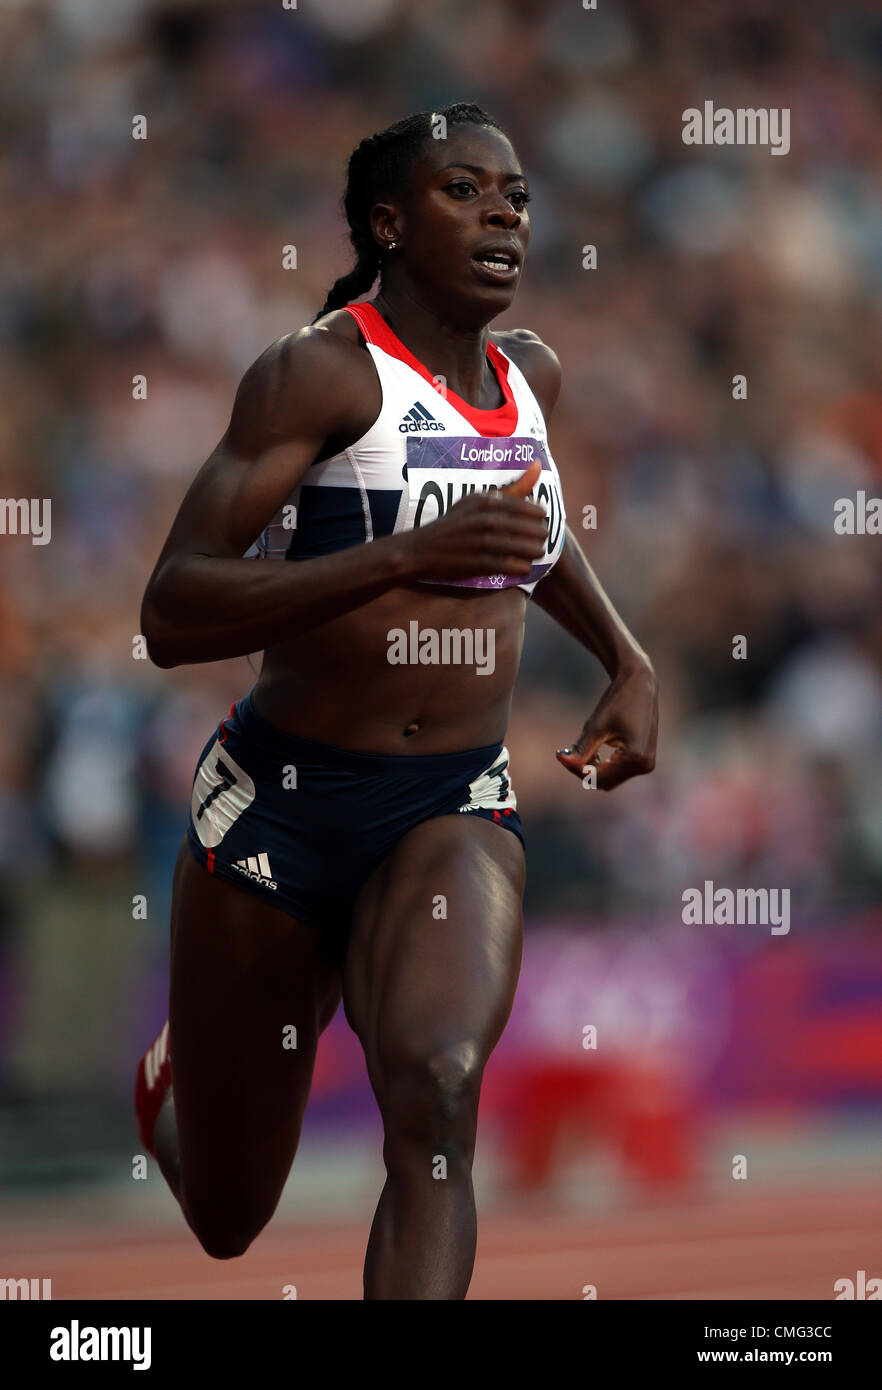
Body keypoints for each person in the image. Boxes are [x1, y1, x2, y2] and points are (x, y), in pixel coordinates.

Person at [134, 102, 658, 1300]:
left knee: (440, 1085)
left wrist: (627, 658)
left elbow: (536, 534)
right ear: (387, 223)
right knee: (227, 1218)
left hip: (447, 801)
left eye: (516, 198)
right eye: (465, 192)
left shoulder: (532, 376)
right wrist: (397, 557)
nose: (503, 216)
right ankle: (175, 1090)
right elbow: (172, 611)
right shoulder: (317, 372)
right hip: (278, 812)